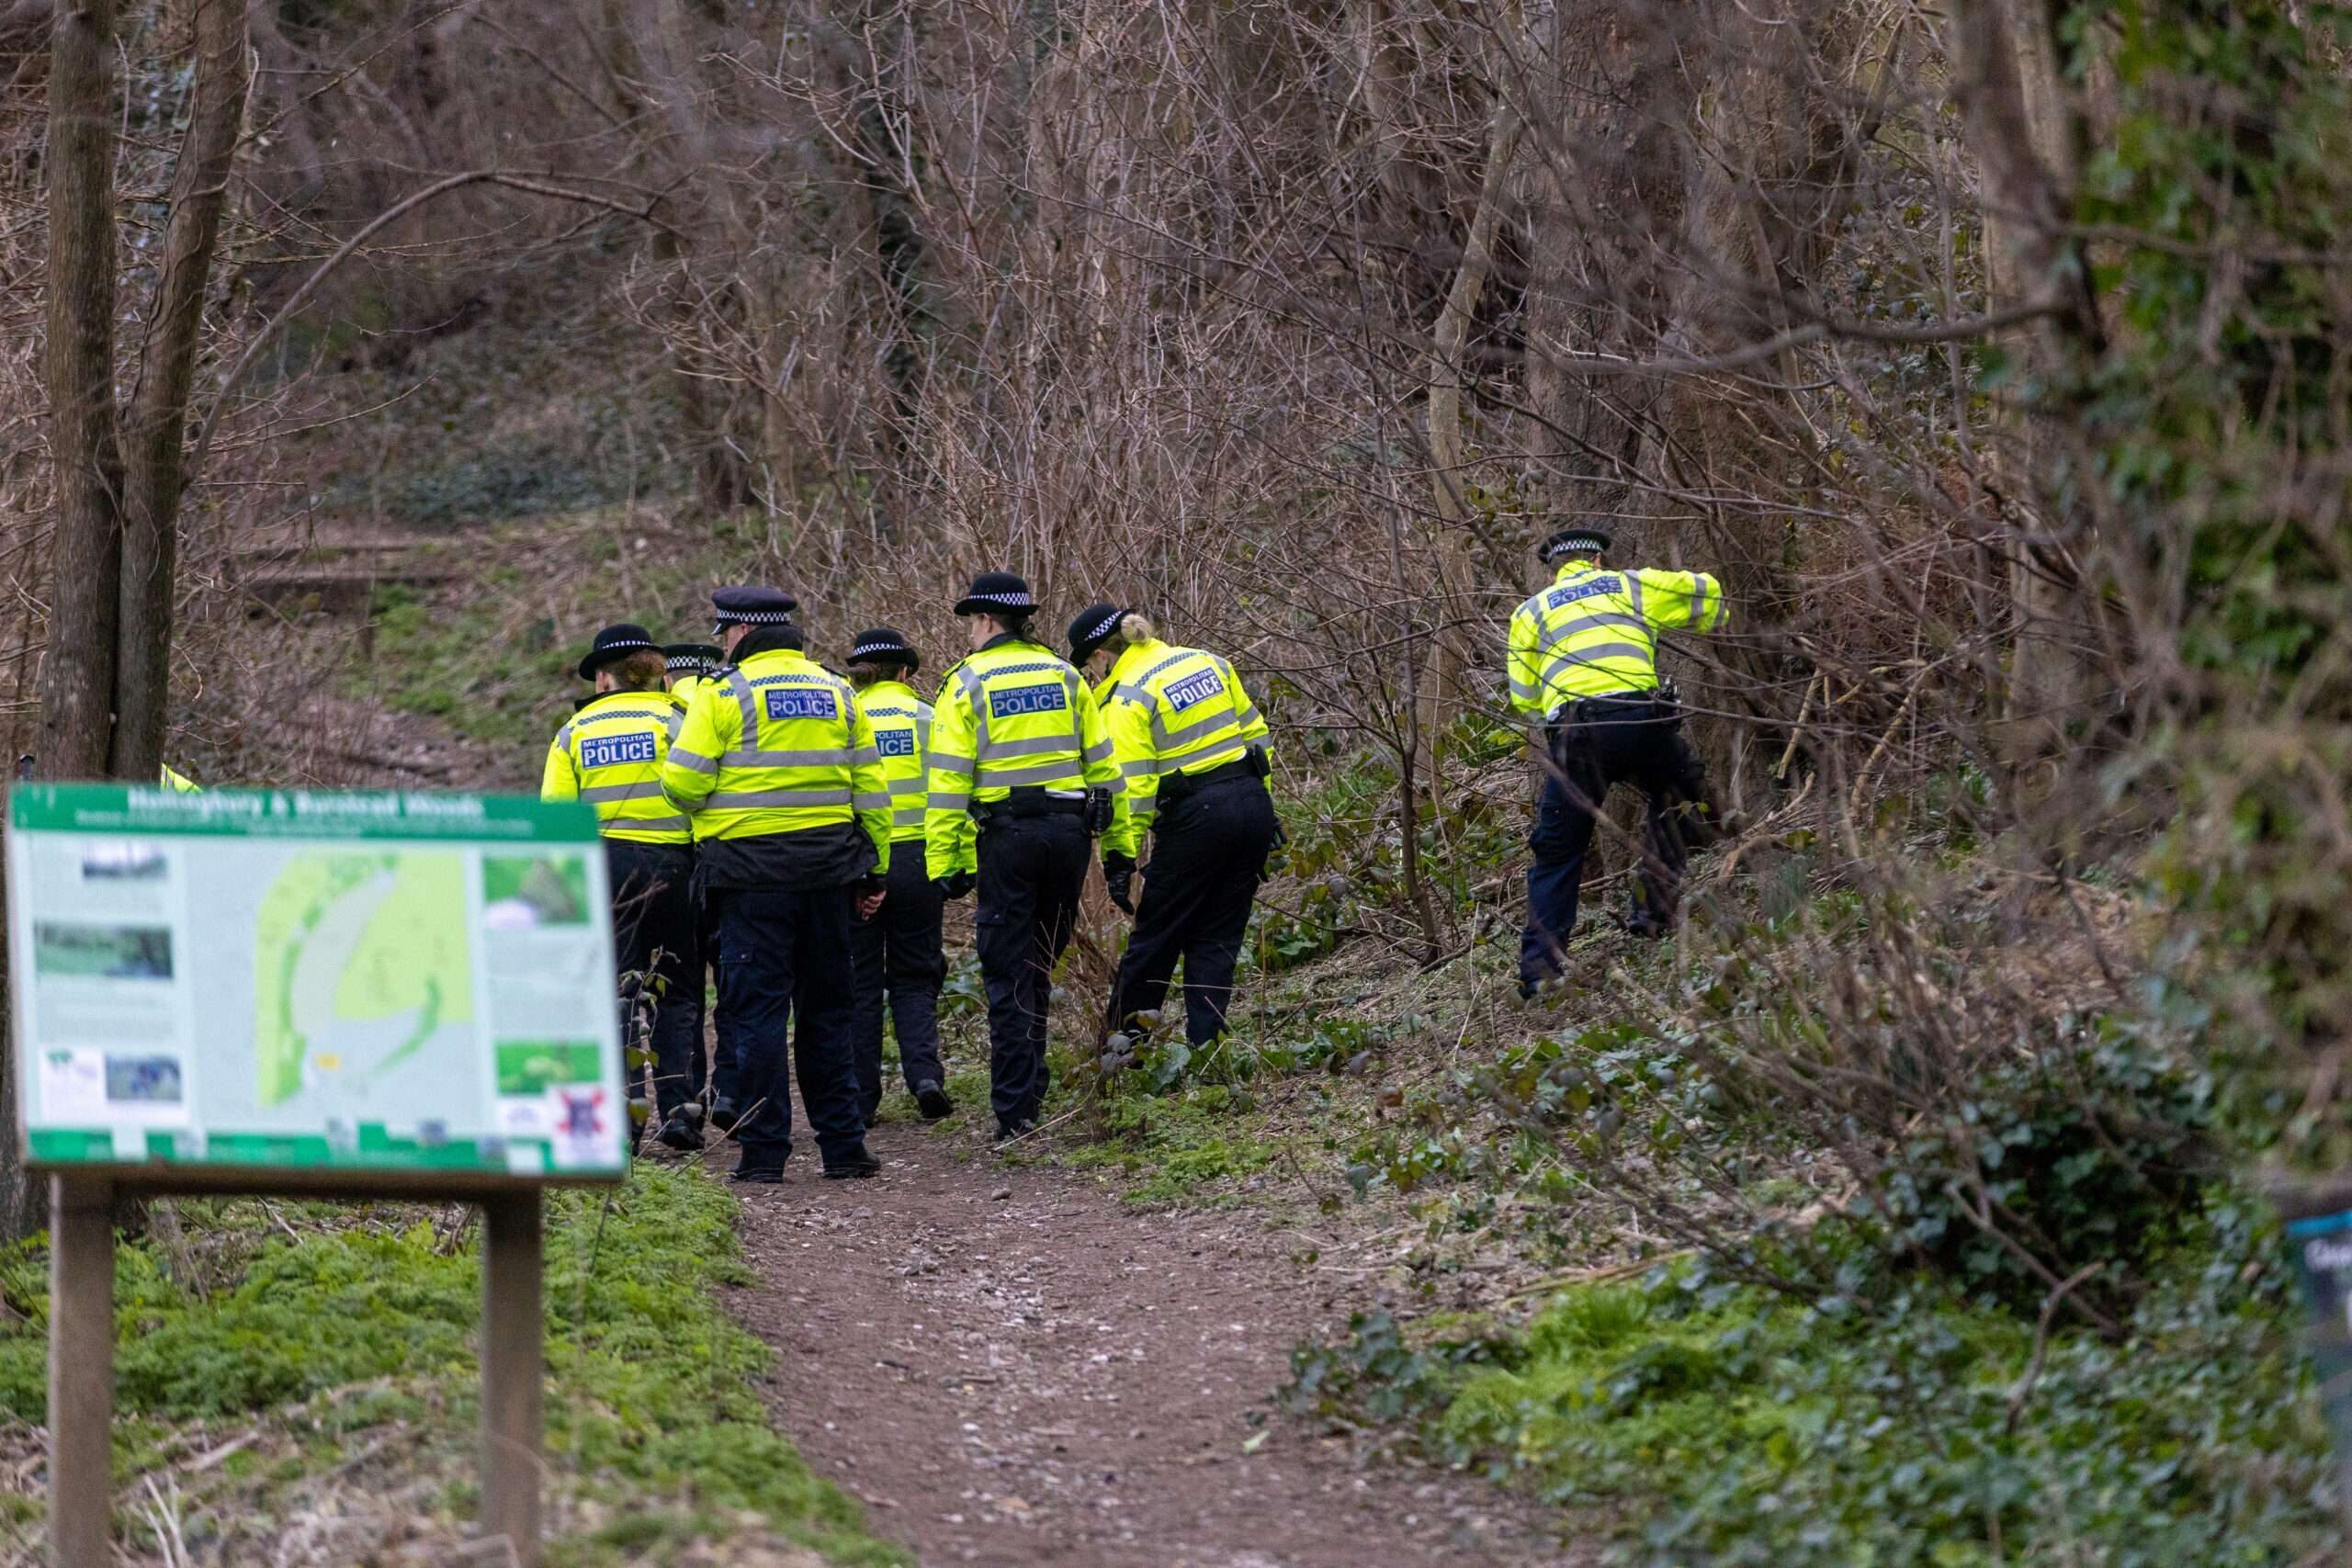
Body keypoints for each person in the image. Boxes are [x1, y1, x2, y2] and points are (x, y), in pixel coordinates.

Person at [661, 586, 893, 1182]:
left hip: (748, 880)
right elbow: (873, 790)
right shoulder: (838, 690)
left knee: (758, 1012)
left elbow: (682, 785)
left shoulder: (724, 692)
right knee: (828, 1011)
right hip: (827, 875)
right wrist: (876, 868)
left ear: (739, 631)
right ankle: (843, 1147)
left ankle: (765, 1153)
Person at [924, 571, 1120, 1141]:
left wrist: (947, 861)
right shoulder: (1066, 674)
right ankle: (1031, 1090)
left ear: (985, 621)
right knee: (1039, 962)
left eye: (970, 624)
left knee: (1008, 971)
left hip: (1007, 837)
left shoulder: (966, 683)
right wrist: (1118, 848)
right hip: (1068, 835)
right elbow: (1104, 770)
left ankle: (1015, 1113)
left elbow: (947, 784)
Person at [1508, 525, 1728, 996]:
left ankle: (1540, 976)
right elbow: (1709, 594)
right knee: (1680, 795)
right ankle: (1652, 914)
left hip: (1575, 734)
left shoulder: (1530, 613)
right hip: (1641, 720)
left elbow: (1524, 699)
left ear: (1552, 572)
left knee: (1558, 851)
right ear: (1598, 562)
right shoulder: (1632, 585)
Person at [1071, 604, 1280, 1053]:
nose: (1092, 677)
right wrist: (1268, 808)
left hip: (1196, 818)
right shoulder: (1206, 661)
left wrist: (1120, 858)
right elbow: (1257, 736)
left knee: (1156, 936)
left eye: (1090, 666)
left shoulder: (1127, 695)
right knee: (1217, 936)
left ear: (1102, 657)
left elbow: (1132, 788)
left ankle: (1123, 1048)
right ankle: (1208, 1051)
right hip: (1250, 802)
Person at [540, 623, 705, 1151]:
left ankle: (625, 1124)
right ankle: (681, 1110)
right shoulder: (681, 719)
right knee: (678, 992)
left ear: (604, 680)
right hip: (676, 865)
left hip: (606, 871)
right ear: (659, 676)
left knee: (617, 996)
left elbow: (557, 822)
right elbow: (704, 789)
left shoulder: (574, 731)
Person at [843, 627, 954, 1125]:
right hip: (919, 859)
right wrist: (959, 862)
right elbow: (954, 792)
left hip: (861, 861)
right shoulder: (930, 718)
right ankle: (925, 1077)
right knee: (915, 975)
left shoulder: (845, 720)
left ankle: (862, 1098)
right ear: (906, 672)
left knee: (861, 983)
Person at [665, 641, 735, 1123]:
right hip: (729, 863)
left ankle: (686, 1098)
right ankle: (731, 1090)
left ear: (668, 677)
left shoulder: (667, 715)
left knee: (682, 990)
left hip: (672, 866)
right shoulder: (727, 702)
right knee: (736, 983)